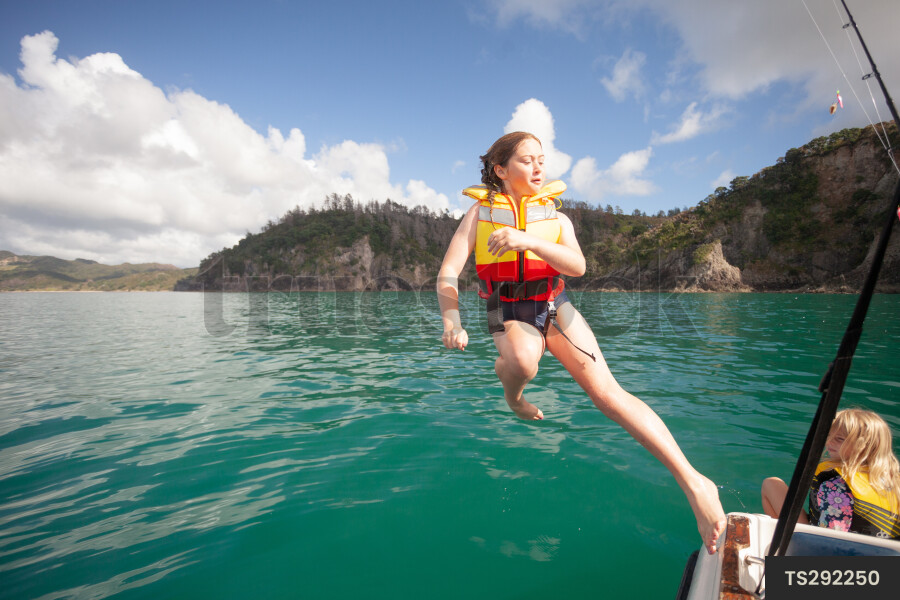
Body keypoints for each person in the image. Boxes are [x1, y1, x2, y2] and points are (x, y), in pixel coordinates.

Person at [436, 131, 726, 554]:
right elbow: (448, 273)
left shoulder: (556, 217)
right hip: (507, 307)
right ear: (500, 170)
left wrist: (530, 240)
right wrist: (452, 320)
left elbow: (578, 265)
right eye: (526, 160)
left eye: (542, 159)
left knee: (609, 395)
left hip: (556, 304)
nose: (538, 167)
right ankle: (513, 394)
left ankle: (695, 482)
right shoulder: (479, 215)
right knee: (522, 360)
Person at [761, 408, 900, 539]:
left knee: (769, 485)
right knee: (772, 484)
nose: (829, 441)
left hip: (835, 558)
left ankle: (783, 545)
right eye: (829, 435)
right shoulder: (893, 478)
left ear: (863, 445)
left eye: (839, 439)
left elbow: (828, 540)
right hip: (884, 559)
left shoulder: (835, 486)